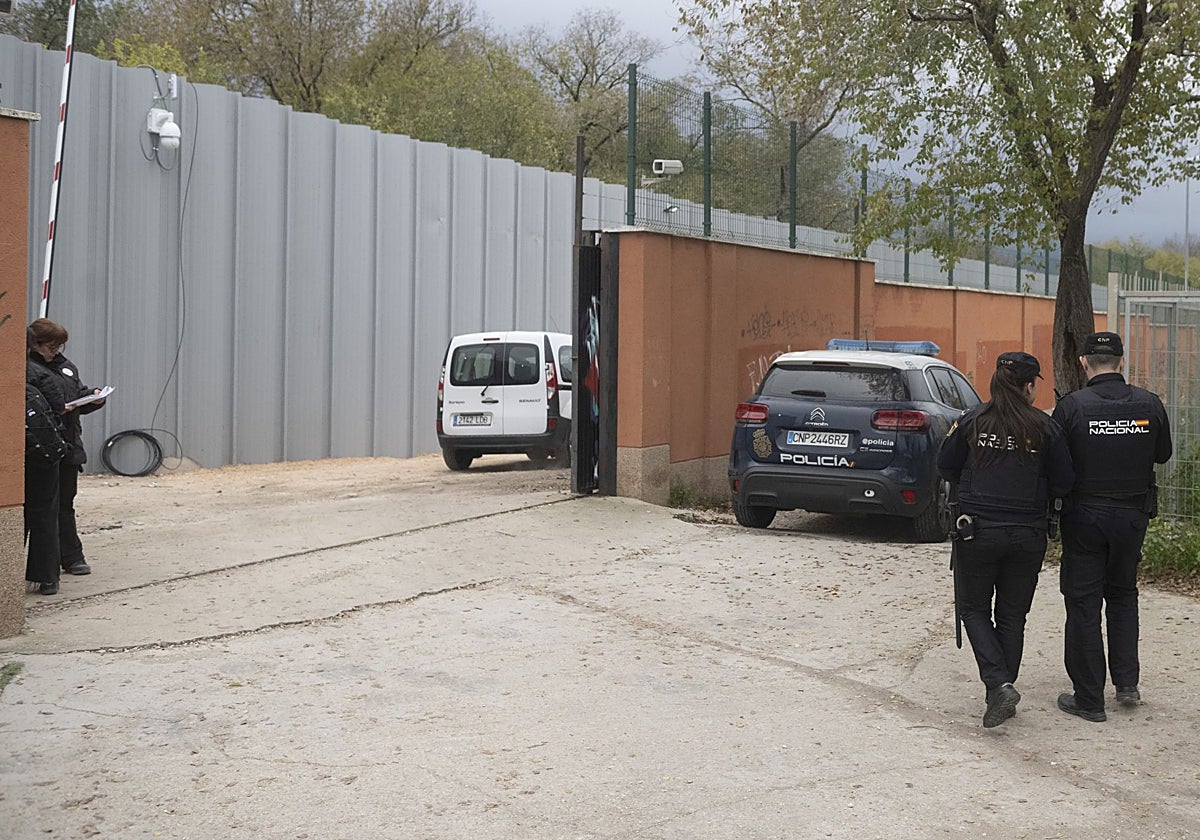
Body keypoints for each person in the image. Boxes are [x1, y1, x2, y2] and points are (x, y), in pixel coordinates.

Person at [938, 351, 1074, 728]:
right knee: (1013, 616)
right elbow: (1065, 481)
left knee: (973, 609)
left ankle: (998, 686)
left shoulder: (971, 420)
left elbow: (945, 465)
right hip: (1028, 534)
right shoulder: (1045, 427)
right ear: (1029, 387)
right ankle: (1001, 689)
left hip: (976, 532)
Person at [1051, 331, 1172, 723]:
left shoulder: (1071, 407)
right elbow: (1163, 454)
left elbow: (1055, 465)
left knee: (1083, 602)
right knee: (1122, 595)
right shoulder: (1149, 404)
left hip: (1084, 517)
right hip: (1132, 517)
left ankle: (1089, 699)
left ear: (1084, 362)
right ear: (1122, 361)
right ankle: (1126, 683)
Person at [26, 318, 107, 578]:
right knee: (42, 508)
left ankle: (71, 556)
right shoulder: (29, 369)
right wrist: (59, 409)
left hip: (70, 445)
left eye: (59, 347)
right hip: (43, 446)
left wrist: (93, 397)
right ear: (35, 344)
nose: (55, 352)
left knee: (65, 504)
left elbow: (76, 395)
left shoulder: (66, 368)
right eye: (51, 347)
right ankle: (45, 564)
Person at [24, 365, 67, 595]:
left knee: (21, 516)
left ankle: (9, 575)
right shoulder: (39, 373)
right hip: (45, 452)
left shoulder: (30, 374)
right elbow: (59, 404)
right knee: (44, 515)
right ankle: (47, 577)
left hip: (32, 451)